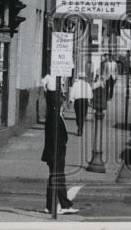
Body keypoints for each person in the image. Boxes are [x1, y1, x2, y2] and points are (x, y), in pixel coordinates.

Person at [42, 85, 78, 215]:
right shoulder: (54, 117)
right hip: (56, 154)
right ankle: (60, 206)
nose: (64, 105)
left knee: (56, 179)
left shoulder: (56, 115)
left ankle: (55, 205)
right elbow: (54, 138)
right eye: (62, 102)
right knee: (57, 178)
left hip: (56, 153)